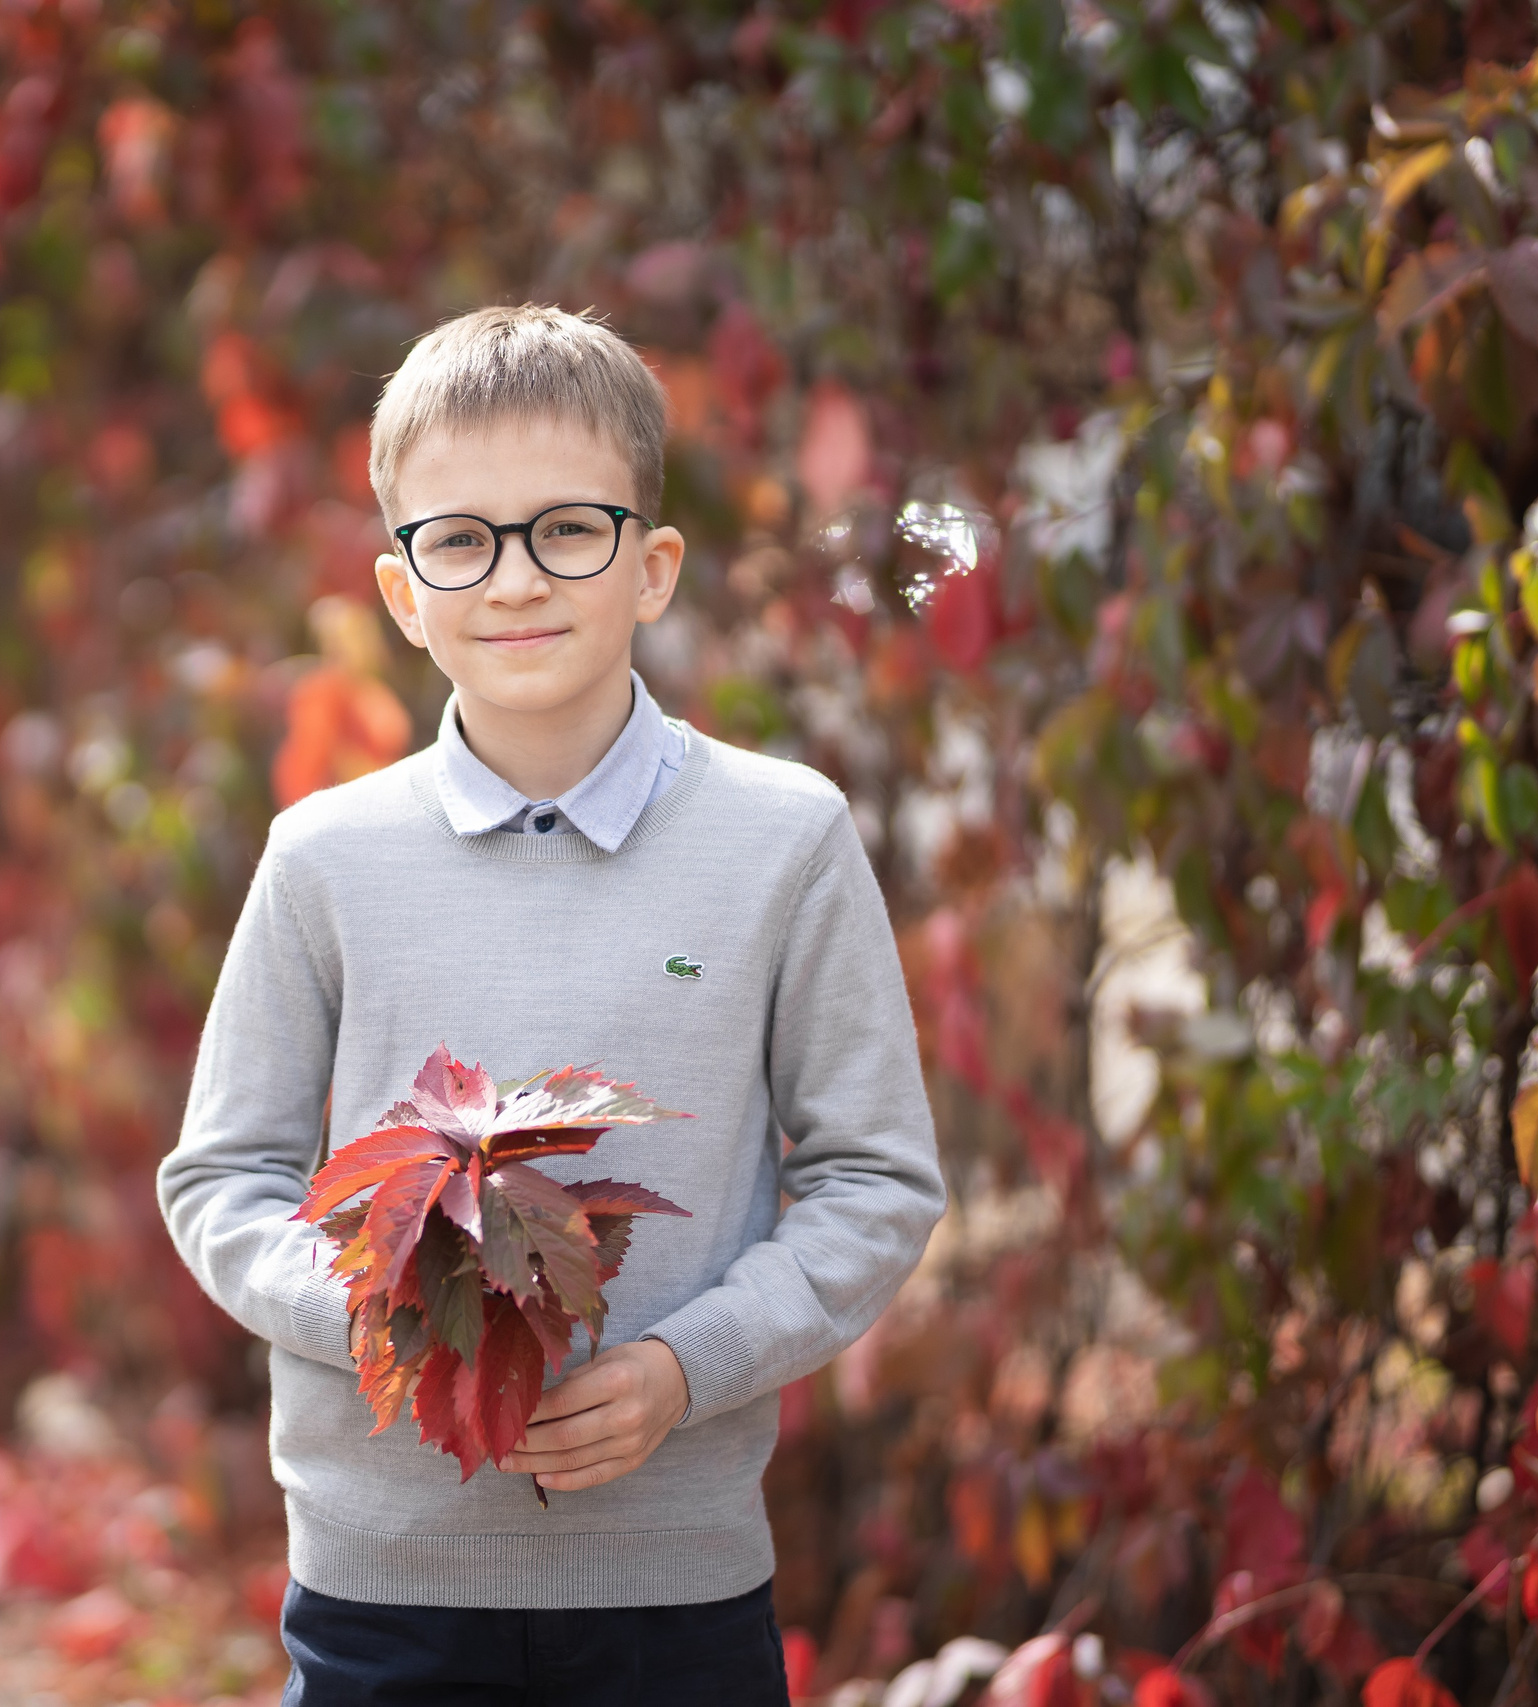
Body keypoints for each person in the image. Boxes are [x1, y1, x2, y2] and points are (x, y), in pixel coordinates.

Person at [156, 303, 946, 1705]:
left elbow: (873, 1180)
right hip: (383, 1582)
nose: (515, 579)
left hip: (675, 1587)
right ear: (403, 590)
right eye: (460, 539)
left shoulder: (784, 839)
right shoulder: (327, 858)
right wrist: (374, 1319)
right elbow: (224, 1176)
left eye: (567, 530)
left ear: (652, 568)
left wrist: (685, 1369)